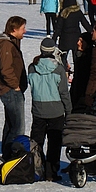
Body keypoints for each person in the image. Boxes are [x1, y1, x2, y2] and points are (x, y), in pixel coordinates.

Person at [28, 37, 72, 182]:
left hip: (38, 109)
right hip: (56, 111)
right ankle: (51, 172)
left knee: (37, 141)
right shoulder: (59, 69)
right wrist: (69, 110)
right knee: (54, 142)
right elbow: (64, 93)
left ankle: (36, 169)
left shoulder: (32, 67)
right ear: (53, 51)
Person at [0, 15, 28, 157]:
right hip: (10, 90)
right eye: (22, 28)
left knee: (10, 125)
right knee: (17, 127)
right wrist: (15, 86)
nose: (25, 31)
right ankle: (13, 157)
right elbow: (6, 69)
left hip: (12, 89)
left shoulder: (12, 42)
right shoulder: (6, 45)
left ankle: (7, 155)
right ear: (14, 29)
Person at [52, 0, 91, 71]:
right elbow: (85, 24)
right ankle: (77, 75)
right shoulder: (78, 12)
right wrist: (92, 32)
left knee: (62, 59)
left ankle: (63, 75)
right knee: (76, 59)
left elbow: (58, 27)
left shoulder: (63, 13)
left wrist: (54, 39)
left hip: (64, 39)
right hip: (76, 39)